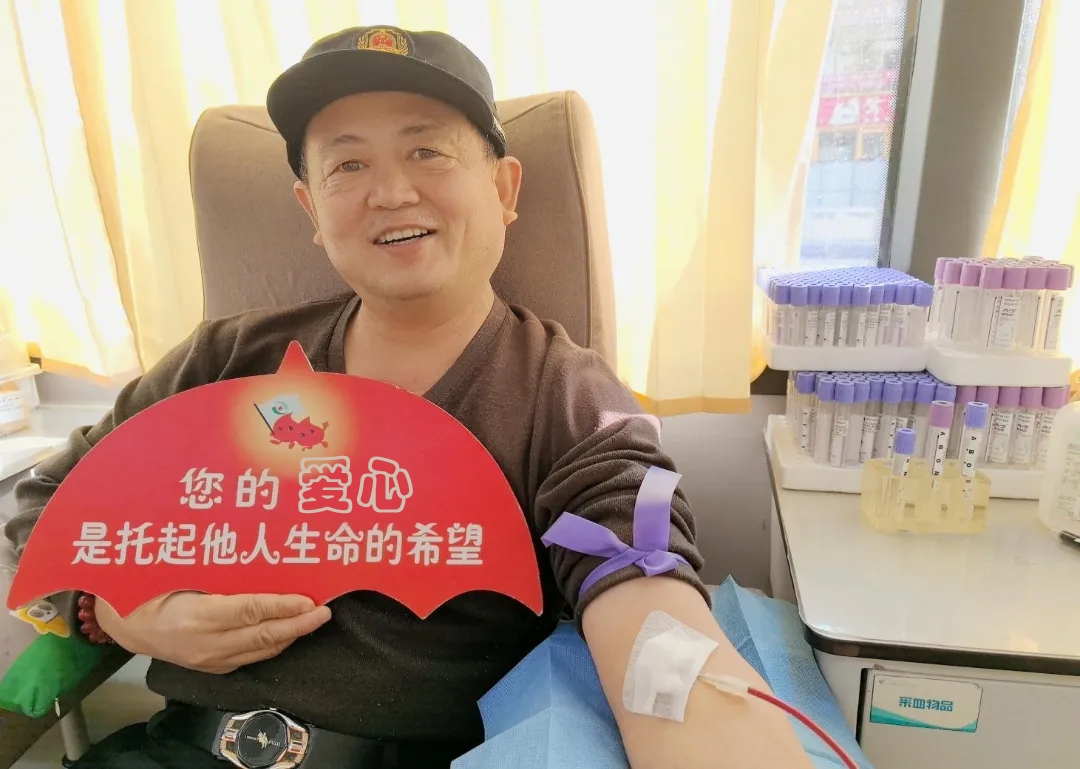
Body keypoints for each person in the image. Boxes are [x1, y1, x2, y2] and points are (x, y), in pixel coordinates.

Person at [6, 25, 812, 769]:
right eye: (347, 166)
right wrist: (113, 611)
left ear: (503, 187)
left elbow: (641, 578)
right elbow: (45, 504)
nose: (391, 192)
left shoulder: (566, 395)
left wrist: (693, 698)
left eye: (427, 151)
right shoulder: (225, 359)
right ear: (310, 208)